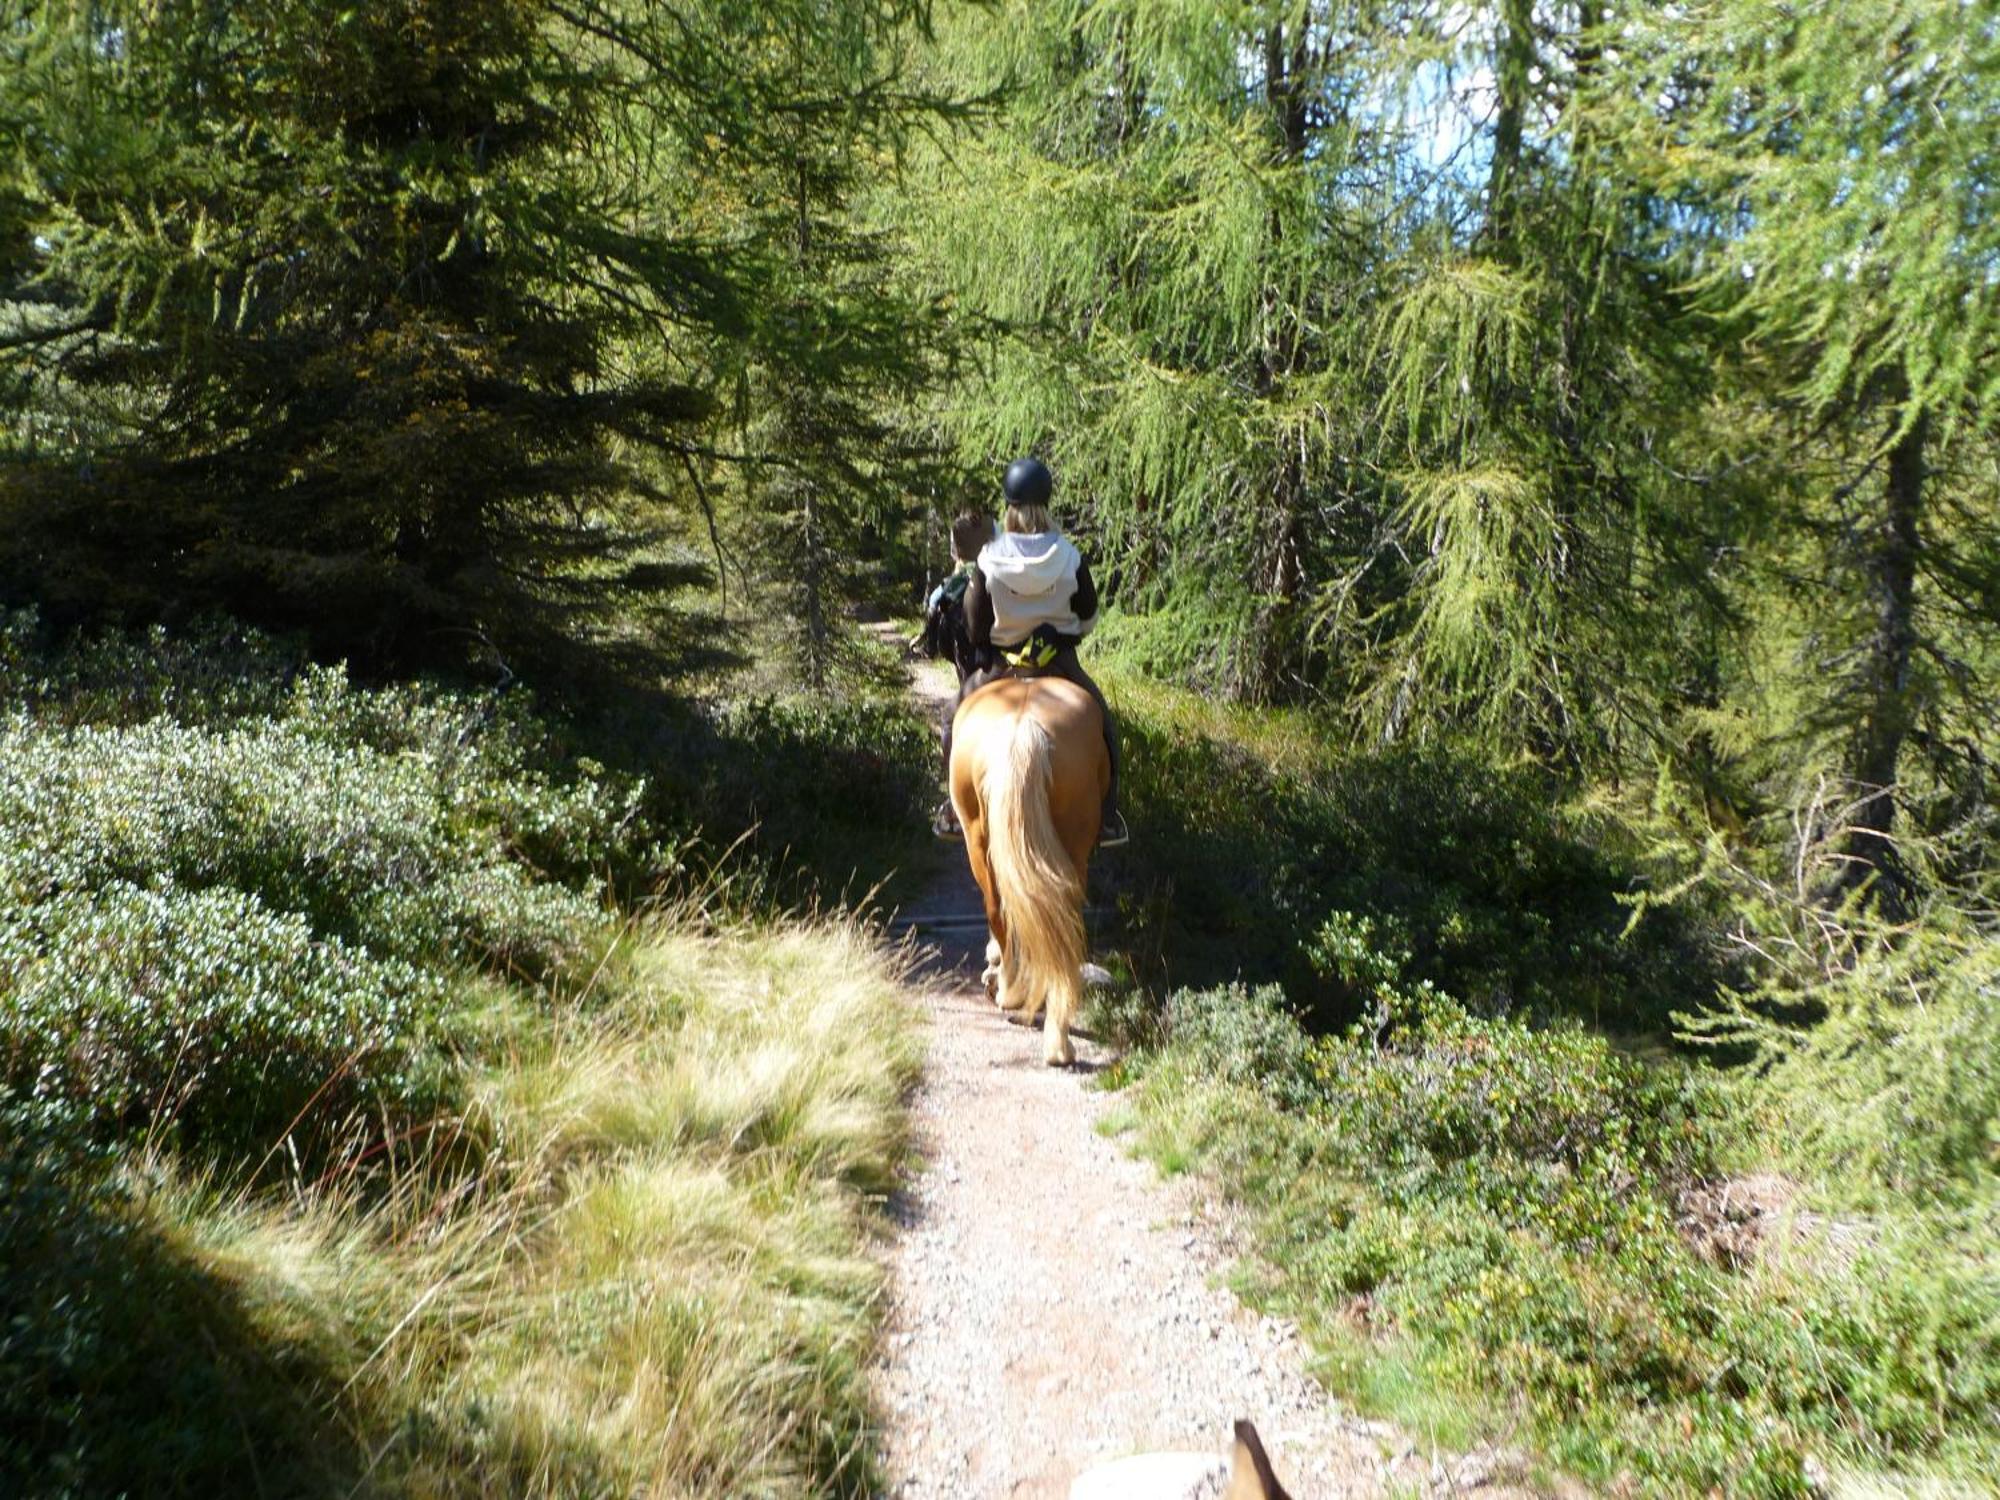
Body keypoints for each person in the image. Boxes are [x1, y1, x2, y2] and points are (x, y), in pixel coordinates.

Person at [932, 456, 1128, 847]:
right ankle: (1108, 817)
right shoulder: (1070, 555)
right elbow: (1087, 614)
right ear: (1046, 503)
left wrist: (993, 640)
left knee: (952, 719)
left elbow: (974, 625)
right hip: (1059, 661)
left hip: (1001, 665)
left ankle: (953, 809)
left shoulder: (989, 558)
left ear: (1009, 506)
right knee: (1104, 725)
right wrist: (1063, 634)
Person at [912, 510, 997, 685]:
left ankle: (931, 643)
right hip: (991, 571)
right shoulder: (991, 523)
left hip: (964, 573)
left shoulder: (958, 526)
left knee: (935, 600)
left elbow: (954, 553)